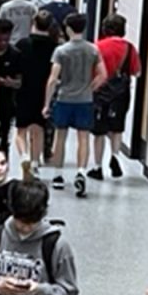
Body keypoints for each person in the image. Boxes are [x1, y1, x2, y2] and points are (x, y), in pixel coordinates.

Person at [44, 14, 107, 198]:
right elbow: (103, 74)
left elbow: (53, 79)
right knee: (83, 138)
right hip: (85, 100)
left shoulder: (61, 51)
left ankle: (58, 175)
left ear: (68, 28)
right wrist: (90, 88)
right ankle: (80, 171)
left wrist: (47, 103)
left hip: (64, 98)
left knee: (60, 137)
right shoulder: (93, 50)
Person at [89, 14, 141, 181]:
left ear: (105, 29)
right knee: (117, 127)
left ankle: (97, 167)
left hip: (101, 91)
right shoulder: (130, 48)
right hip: (121, 91)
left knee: (99, 131)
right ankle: (115, 156)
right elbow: (136, 72)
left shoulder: (97, 47)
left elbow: (92, 71)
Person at [14, 11, 58, 178]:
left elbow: (16, 68)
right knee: (38, 130)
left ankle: (24, 156)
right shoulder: (54, 48)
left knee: (21, 131)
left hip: (24, 90)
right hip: (43, 92)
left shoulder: (23, 44)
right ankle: (34, 162)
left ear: (34, 23)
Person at [0, 18, 23, 154]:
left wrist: (10, 83)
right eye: (0, 39)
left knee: (4, 137)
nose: (3, 42)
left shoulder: (15, 54)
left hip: (6, 101)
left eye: (6, 39)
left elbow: (19, 82)